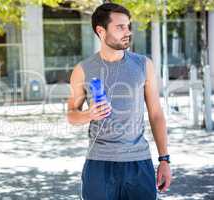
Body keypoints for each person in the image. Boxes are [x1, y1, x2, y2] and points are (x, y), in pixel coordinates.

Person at [67, 3, 172, 200]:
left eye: (128, 26)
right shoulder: (82, 70)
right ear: (101, 31)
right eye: (120, 27)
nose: (128, 32)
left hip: (138, 162)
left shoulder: (143, 65)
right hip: (99, 164)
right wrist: (88, 114)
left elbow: (156, 114)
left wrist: (164, 160)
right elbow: (71, 114)